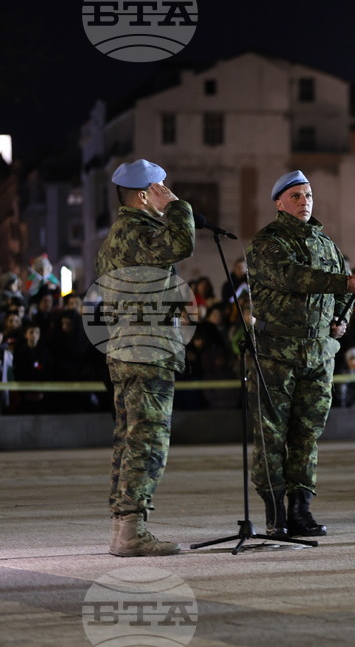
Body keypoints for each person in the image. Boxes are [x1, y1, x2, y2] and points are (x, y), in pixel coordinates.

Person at [246, 170, 355, 538]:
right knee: (271, 433)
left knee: (307, 434)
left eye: (308, 196)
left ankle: (300, 509)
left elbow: (344, 291)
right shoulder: (269, 242)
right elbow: (291, 277)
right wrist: (343, 284)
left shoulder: (326, 242)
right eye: (296, 196)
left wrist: (342, 318)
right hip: (277, 353)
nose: (304, 202)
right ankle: (274, 512)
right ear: (279, 203)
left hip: (319, 352)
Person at [97, 158, 195, 556]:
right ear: (144, 194)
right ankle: (131, 532)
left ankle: (123, 528)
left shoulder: (120, 235)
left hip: (129, 349)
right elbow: (183, 243)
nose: (166, 193)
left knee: (129, 439)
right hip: (146, 351)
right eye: (161, 188)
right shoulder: (137, 231)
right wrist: (178, 206)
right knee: (147, 440)